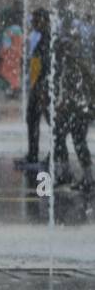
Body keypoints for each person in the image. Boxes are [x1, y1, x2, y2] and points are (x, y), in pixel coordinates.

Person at [52, 25, 94, 192]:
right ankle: (68, 172)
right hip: (75, 110)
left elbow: (81, 89)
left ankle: (86, 177)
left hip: (77, 111)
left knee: (77, 141)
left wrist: (66, 102)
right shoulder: (72, 65)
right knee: (61, 138)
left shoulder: (74, 66)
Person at [17, 8, 52, 172]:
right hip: (37, 86)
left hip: (43, 87)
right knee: (32, 118)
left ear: (44, 21)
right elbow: (37, 62)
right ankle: (33, 154)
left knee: (52, 122)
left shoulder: (48, 38)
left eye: (36, 21)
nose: (33, 25)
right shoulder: (42, 38)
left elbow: (45, 65)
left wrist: (40, 86)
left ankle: (53, 156)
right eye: (32, 22)